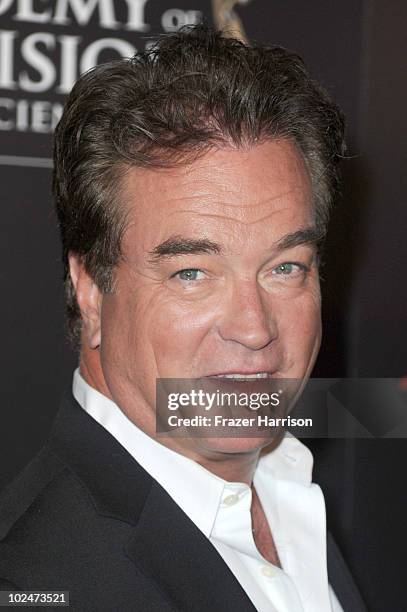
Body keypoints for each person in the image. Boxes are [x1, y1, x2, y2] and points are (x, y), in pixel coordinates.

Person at [0, 25, 366, 611]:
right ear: (90, 289)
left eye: (285, 268)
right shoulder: (34, 582)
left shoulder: (293, 486)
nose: (254, 328)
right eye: (192, 273)